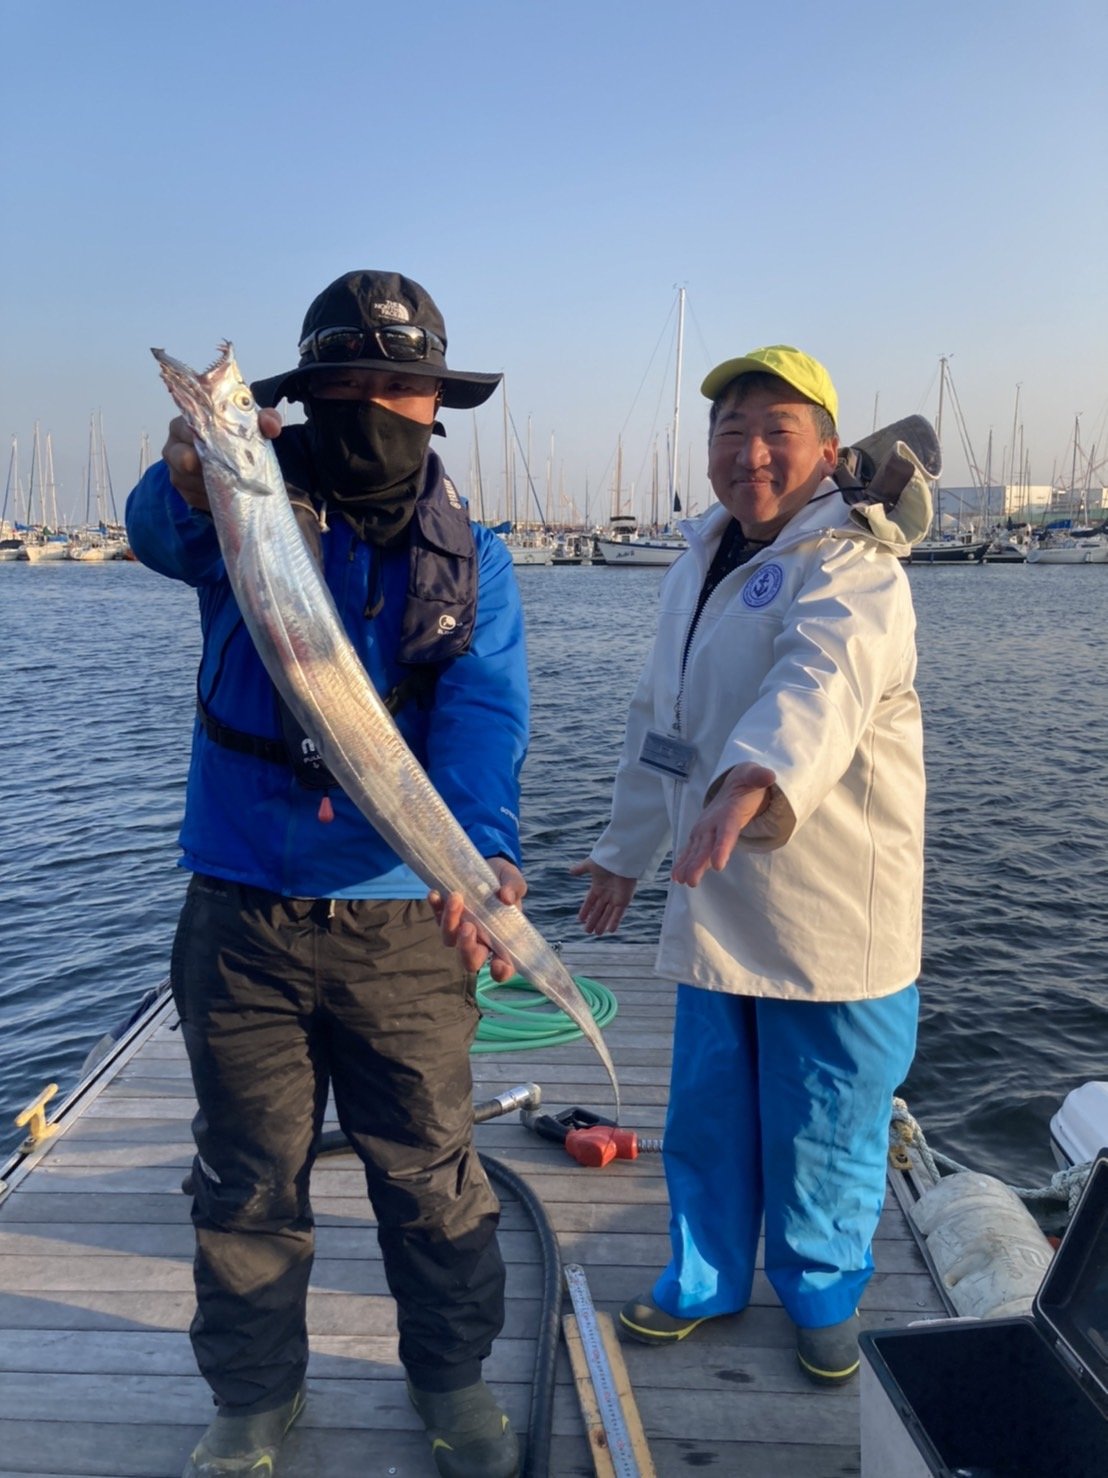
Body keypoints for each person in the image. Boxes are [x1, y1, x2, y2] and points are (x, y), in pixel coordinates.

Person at [126, 270, 527, 1478]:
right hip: (242, 905)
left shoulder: (475, 558)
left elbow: (483, 713)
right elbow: (155, 531)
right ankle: (254, 1396)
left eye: (396, 385)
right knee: (246, 1174)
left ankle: (450, 1378)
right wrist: (187, 470)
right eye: (345, 382)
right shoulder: (241, 508)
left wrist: (480, 847)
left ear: (434, 404)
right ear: (304, 399)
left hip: (403, 918)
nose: (371, 406)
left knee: (431, 1171)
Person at [572, 345, 927, 1387]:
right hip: (713, 892)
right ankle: (705, 1275)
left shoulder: (855, 563)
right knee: (709, 1111)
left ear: (827, 449)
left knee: (828, 1120)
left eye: (778, 430)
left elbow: (819, 682)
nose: (752, 453)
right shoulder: (700, 557)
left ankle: (823, 1291)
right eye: (732, 430)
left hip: (828, 909)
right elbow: (662, 720)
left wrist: (751, 781)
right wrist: (621, 853)